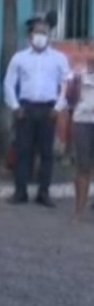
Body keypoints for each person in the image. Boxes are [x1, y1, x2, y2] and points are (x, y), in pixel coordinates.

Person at [3, 19, 68, 208]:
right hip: (26, 108)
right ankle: (20, 191)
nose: (41, 36)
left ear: (49, 36)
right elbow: (8, 83)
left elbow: (65, 84)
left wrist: (58, 108)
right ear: (30, 36)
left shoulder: (58, 58)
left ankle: (43, 193)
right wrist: (15, 107)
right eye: (37, 33)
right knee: (23, 151)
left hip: (49, 109)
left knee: (47, 153)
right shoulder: (20, 57)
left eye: (44, 33)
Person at [66, 57, 94, 221]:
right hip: (83, 121)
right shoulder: (79, 74)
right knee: (83, 166)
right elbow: (70, 99)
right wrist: (74, 84)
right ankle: (79, 210)